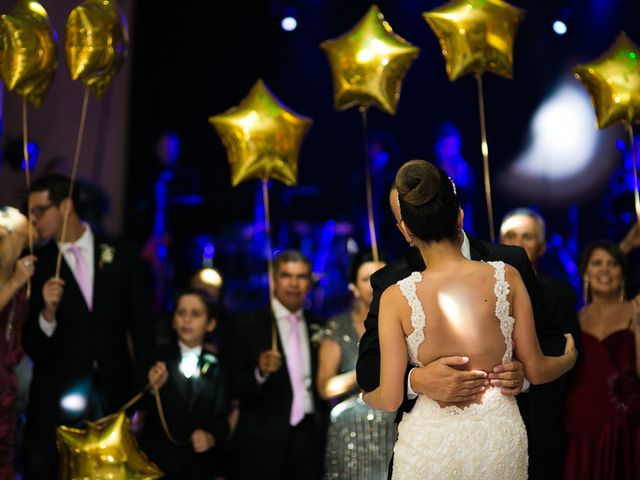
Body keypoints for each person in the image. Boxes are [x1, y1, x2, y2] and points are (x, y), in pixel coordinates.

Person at [362, 160, 577, 478]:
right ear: (459, 217)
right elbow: (539, 368)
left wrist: (366, 396)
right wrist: (568, 359)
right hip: (498, 437)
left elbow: (390, 397)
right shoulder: (507, 275)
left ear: (406, 230)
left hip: (429, 446)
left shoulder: (396, 296)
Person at [22, 174, 154, 479]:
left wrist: (143, 387)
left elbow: (141, 325)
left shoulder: (121, 253)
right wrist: (47, 314)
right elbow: (32, 346)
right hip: (56, 399)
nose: (34, 219)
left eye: (40, 210)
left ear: (66, 206)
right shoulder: (37, 264)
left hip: (113, 393)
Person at [227, 250, 325, 479]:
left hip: (308, 438)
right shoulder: (247, 324)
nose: (294, 283)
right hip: (260, 441)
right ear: (273, 279)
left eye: (301, 277)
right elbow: (231, 384)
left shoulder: (318, 325)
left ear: (309, 283)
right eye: (286, 275)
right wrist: (259, 372)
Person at [500, 207, 582, 479]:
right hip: (490, 417)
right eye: (510, 235)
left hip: (541, 418)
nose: (518, 243)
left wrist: (523, 369)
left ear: (543, 247)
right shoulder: (477, 289)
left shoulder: (558, 293)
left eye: (527, 236)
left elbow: (565, 347)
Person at [563, 241, 640, 479]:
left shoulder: (635, 311)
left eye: (613, 263)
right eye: (597, 263)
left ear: (623, 274)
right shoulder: (573, 319)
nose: (604, 270)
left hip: (626, 424)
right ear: (585, 272)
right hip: (581, 423)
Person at [317, 251, 395, 479]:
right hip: (351, 429)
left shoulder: (404, 321)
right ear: (352, 286)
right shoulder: (339, 326)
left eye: (382, 274)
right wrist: (367, 371)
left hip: (395, 426)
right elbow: (325, 387)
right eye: (366, 278)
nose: (375, 283)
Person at [142, 288, 229, 479]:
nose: (187, 319)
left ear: (210, 323)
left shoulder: (217, 365)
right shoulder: (156, 358)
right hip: (158, 464)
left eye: (196, 314)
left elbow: (222, 417)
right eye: (181, 313)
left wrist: (211, 437)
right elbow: (137, 407)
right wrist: (150, 389)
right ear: (173, 320)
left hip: (198, 467)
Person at [0, 207, 35, 480]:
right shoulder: (14, 282)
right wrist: (13, 285)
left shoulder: (19, 282)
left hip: (8, 390)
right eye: (22, 238)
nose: (25, 246)